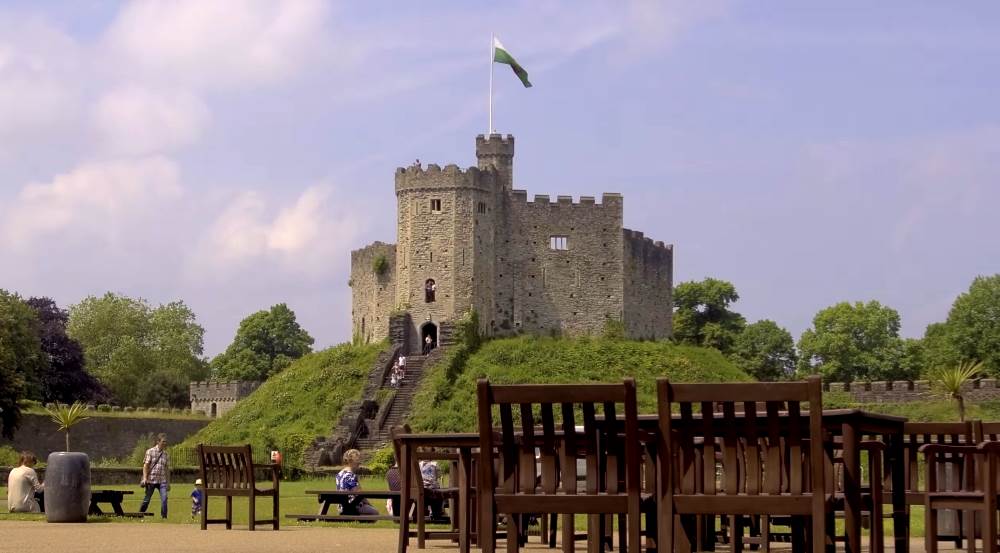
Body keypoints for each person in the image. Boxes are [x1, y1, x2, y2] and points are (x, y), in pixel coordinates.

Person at [336, 449, 378, 516]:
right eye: (357, 460)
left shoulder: (339, 474)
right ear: (351, 461)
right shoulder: (351, 476)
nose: (359, 463)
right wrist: (369, 504)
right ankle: (354, 519)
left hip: (341, 506)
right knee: (375, 513)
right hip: (352, 505)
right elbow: (359, 493)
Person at [139, 433, 170, 519]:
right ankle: (140, 514)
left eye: (166, 442)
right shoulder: (150, 451)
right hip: (151, 480)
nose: (165, 443)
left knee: (164, 499)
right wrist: (145, 478)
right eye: (163, 441)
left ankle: (164, 517)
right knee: (147, 499)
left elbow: (167, 469)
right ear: (158, 441)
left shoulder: (166, 454)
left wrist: (168, 482)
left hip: (162, 481)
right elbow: (146, 465)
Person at [419, 455, 445, 520]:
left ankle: (430, 512)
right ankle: (437, 513)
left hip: (422, 489)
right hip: (433, 489)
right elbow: (438, 476)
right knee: (439, 493)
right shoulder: (434, 464)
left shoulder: (419, 464)